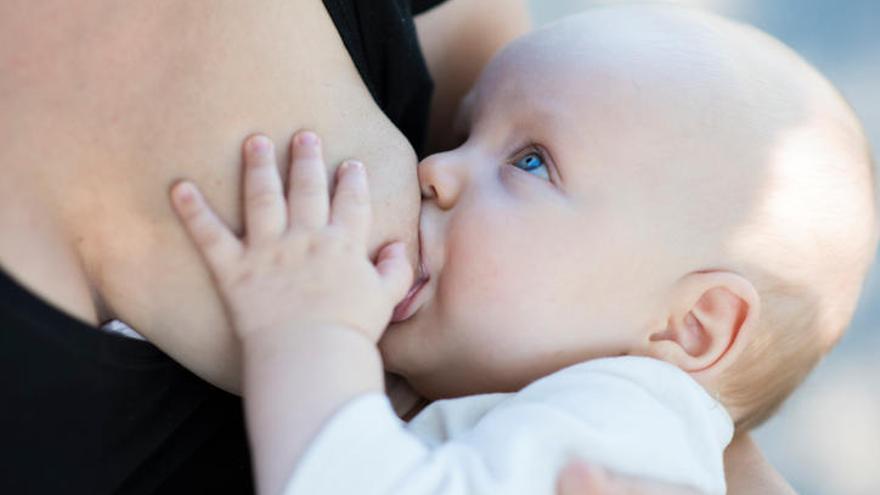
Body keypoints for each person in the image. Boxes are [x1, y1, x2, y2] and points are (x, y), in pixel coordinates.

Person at [0, 0, 797, 493]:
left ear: (695, 326)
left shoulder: (607, 436)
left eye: (528, 161)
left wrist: (310, 337)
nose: (436, 167)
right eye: (468, 129)